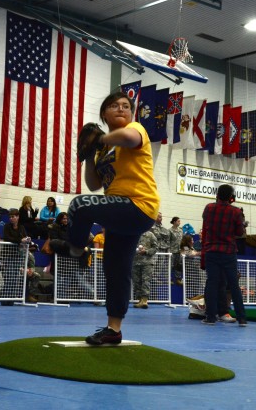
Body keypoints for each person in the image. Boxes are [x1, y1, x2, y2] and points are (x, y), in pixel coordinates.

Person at [66, 90, 160, 345]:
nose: (121, 109)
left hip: (138, 205)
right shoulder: (103, 148)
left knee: (79, 205)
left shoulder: (136, 129)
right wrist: (88, 156)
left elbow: (128, 138)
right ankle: (113, 330)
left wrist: (102, 139)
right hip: (118, 212)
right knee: (116, 271)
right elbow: (94, 184)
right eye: (114, 106)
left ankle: (75, 248)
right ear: (104, 113)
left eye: (126, 106)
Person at [200, 184, 247, 326]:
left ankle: (210, 317)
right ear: (231, 197)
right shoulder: (236, 211)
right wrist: (242, 225)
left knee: (212, 283)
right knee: (233, 285)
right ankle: (242, 318)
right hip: (228, 252)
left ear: (217, 194)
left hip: (212, 251)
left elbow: (206, 224)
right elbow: (239, 233)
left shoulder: (208, 208)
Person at [132, 229, 157, 309]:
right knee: (136, 281)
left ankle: (145, 300)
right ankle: (140, 300)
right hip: (135, 262)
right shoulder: (133, 233)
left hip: (147, 262)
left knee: (145, 281)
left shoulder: (150, 235)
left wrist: (146, 251)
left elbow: (155, 247)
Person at [169, 217, 184, 285]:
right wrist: (168, 251)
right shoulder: (169, 230)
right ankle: (170, 279)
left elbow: (183, 241)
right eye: (178, 221)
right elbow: (167, 241)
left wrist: (186, 250)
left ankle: (178, 280)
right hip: (172, 251)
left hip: (180, 251)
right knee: (171, 266)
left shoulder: (181, 230)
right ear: (174, 222)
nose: (179, 222)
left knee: (179, 266)